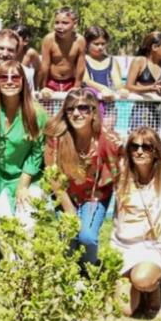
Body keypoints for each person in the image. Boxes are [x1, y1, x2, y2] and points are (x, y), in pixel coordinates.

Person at [111, 127, 161, 318]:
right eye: (134, 146)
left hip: (154, 244)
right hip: (124, 244)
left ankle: (152, 289)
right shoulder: (121, 171)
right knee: (124, 310)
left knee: (142, 279)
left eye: (147, 147)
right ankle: (133, 282)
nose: (140, 151)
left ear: (156, 151)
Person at [44, 88, 122, 266]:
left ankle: (90, 272)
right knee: (68, 237)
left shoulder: (108, 139)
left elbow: (123, 170)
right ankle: (70, 276)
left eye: (83, 108)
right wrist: (69, 210)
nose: (76, 113)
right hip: (64, 193)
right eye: (70, 109)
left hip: (96, 193)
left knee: (87, 237)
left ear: (93, 111)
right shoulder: (56, 137)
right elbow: (52, 176)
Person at [0, 60, 49, 224]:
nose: (9, 81)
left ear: (23, 81)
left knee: (26, 224)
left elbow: (37, 152)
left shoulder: (37, 114)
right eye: (3, 77)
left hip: (28, 177)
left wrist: (23, 186)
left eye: (15, 77)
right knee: (2, 223)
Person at [38, 7, 86, 95]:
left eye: (65, 23)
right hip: (51, 83)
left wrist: (77, 86)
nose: (60, 26)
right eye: (56, 23)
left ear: (74, 24)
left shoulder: (80, 40)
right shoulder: (49, 39)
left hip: (71, 83)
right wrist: (43, 87)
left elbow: (80, 66)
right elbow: (44, 66)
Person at [126, 32, 161, 96]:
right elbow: (129, 87)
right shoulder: (139, 61)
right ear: (154, 47)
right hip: (142, 104)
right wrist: (150, 88)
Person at [83, 25, 125, 100]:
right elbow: (86, 81)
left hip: (109, 103)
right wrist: (103, 89)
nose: (100, 47)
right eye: (96, 44)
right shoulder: (83, 60)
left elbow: (118, 83)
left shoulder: (112, 61)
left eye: (103, 44)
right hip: (89, 103)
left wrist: (122, 90)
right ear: (87, 43)